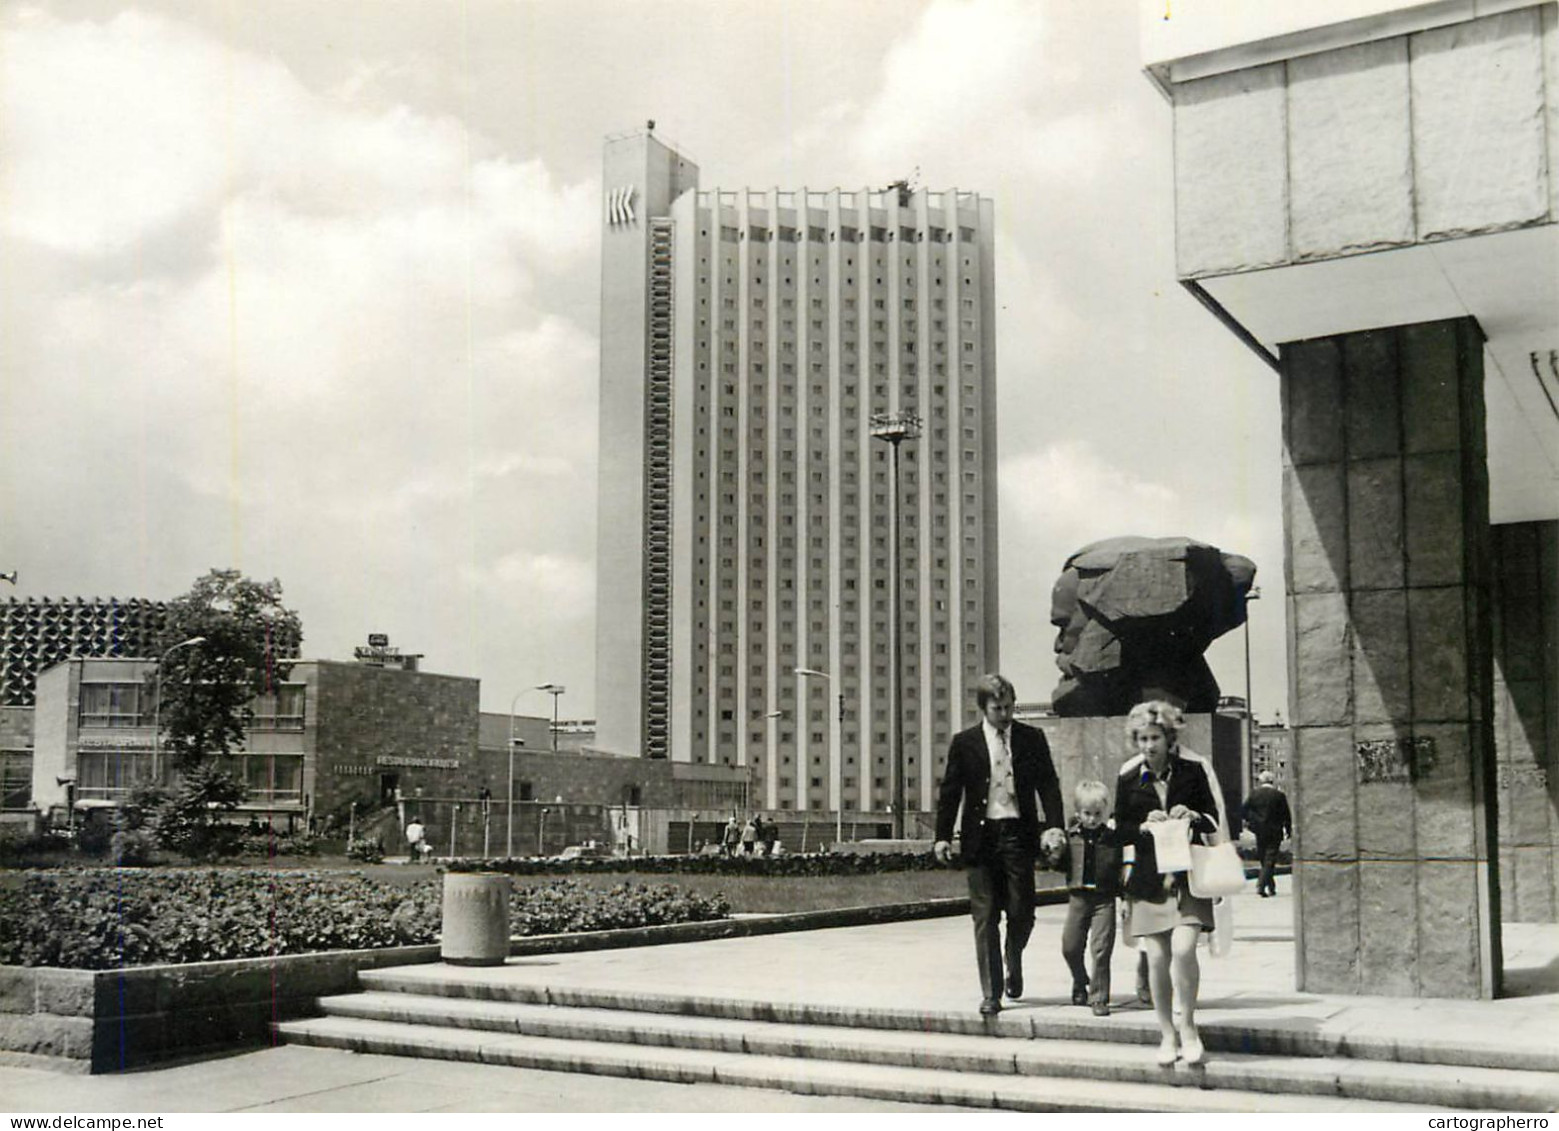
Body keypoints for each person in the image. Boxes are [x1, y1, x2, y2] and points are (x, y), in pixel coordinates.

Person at [934, 673, 1065, 1016]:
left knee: (1023, 910)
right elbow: (950, 793)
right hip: (981, 838)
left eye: (1009, 707)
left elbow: (1048, 785)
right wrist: (942, 836)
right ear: (983, 708)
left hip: (1018, 834)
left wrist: (1054, 827)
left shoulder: (1031, 738)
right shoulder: (965, 743)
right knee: (985, 915)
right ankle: (991, 992)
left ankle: (1014, 952)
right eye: (998, 708)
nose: (1005, 714)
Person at [1114, 700, 1225, 1066]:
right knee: (1158, 958)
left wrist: (1193, 815)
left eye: (1155, 737)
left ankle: (1189, 1026)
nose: (1149, 745)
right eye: (1143, 738)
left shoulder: (1192, 771)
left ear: (1169, 737)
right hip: (1148, 881)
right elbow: (1118, 833)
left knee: (1182, 949)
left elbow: (1214, 820)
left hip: (1188, 877)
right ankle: (1166, 1033)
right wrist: (1142, 826)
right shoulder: (1129, 779)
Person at [1046, 780, 1121, 1016]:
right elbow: (1057, 865)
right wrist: (1053, 853)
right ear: (1078, 813)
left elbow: (1120, 867)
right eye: (1087, 814)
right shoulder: (1071, 837)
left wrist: (1125, 896)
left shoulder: (1112, 837)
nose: (1092, 819)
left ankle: (1099, 997)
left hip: (1104, 898)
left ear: (1106, 812)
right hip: (1079, 897)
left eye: (1097, 814)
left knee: (1101, 948)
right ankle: (1080, 980)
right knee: (1070, 946)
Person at [1242, 770, 1292, 898]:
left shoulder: (1254, 794)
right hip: (1275, 831)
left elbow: (1243, 810)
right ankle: (1261, 885)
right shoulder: (1279, 795)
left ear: (1261, 781)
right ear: (1272, 781)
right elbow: (1286, 814)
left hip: (1259, 831)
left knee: (1264, 859)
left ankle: (1270, 887)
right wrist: (1288, 829)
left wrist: (1251, 822)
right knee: (1269, 859)